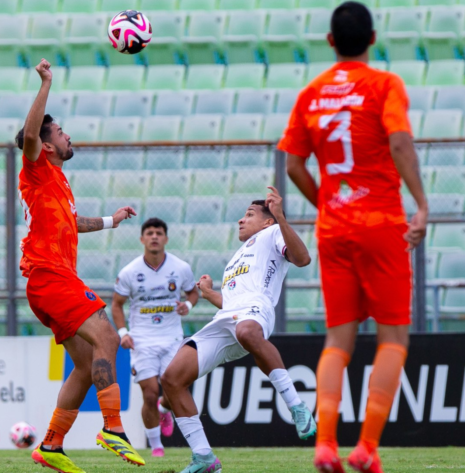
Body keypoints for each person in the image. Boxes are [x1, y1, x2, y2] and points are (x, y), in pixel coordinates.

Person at [279, 3, 428, 472]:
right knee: (393, 338)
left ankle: (324, 445)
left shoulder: (311, 93)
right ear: (373, 37)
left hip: (334, 228)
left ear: (330, 41)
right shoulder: (385, 84)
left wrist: (326, 201)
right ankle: (365, 448)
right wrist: (421, 204)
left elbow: (292, 165)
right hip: (381, 222)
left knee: (338, 342)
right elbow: (400, 143)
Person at [18, 58, 144, 473]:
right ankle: (112, 428)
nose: (68, 135)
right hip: (49, 277)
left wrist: (111, 220)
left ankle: (51, 445)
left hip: (53, 280)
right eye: (61, 132)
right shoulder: (36, 170)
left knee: (89, 365)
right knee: (107, 335)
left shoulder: (57, 183)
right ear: (47, 144)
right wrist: (46, 83)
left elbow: (71, 223)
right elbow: (30, 133)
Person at [161, 190, 317, 473]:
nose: (240, 220)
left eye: (249, 214)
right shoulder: (235, 259)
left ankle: (297, 407)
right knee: (171, 378)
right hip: (226, 319)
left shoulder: (273, 234)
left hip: (256, 312)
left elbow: (303, 259)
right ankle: (204, 458)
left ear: (267, 222)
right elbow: (232, 303)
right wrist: (210, 295)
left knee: (246, 331)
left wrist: (280, 216)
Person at [112, 218, 200, 458]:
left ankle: (165, 408)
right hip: (142, 340)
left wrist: (188, 307)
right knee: (150, 392)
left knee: (175, 390)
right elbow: (117, 305)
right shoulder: (130, 272)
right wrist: (123, 333)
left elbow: (193, 291)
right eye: (149, 233)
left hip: (172, 338)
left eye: (158, 233)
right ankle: (156, 446)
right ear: (142, 239)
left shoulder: (180, 267)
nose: (154, 237)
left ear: (166, 239)